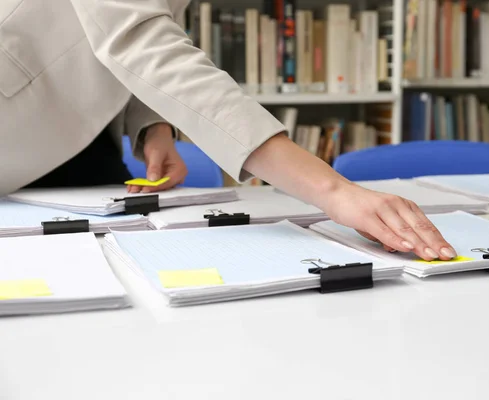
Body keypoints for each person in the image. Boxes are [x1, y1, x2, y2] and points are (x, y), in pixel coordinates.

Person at [0, 0, 456, 261]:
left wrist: (153, 129)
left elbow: (136, 32)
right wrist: (333, 191)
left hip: (78, 133)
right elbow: (138, 39)